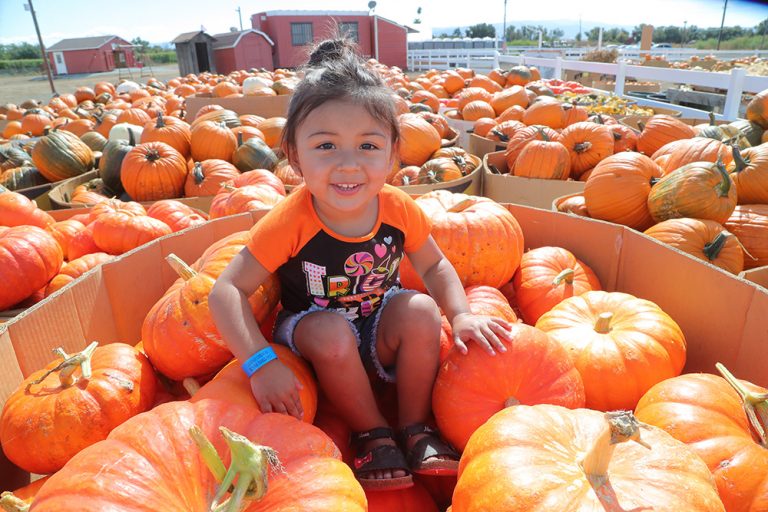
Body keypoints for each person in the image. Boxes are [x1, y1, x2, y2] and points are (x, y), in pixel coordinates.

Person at [209, 38, 514, 491]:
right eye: (326, 145)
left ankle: (414, 426)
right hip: (311, 330)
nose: (349, 164)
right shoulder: (291, 220)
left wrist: (462, 314)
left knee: (422, 312)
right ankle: (370, 431)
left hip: (376, 321)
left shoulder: (397, 208)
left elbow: (435, 267)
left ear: (393, 154)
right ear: (295, 155)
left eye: (368, 146)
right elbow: (225, 291)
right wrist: (260, 363)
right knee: (330, 333)